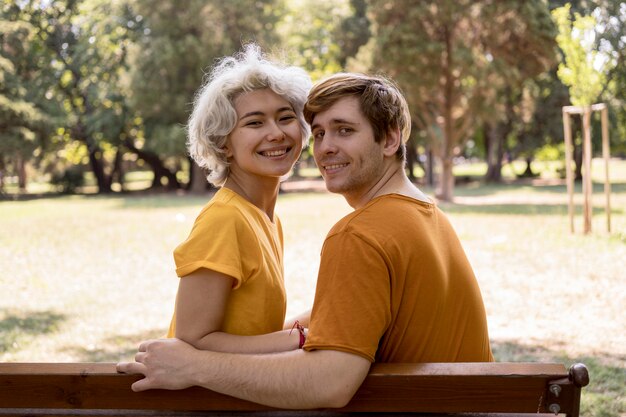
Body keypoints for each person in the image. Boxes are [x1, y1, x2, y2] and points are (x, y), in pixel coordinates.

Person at [117, 73, 493, 409]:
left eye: (344, 130)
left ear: (391, 138)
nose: (326, 147)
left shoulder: (360, 233)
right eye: (320, 133)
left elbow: (329, 383)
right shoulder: (426, 215)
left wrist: (198, 365)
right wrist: (298, 335)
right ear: (224, 142)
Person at [164, 44, 312, 354]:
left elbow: (252, 337)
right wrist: (301, 340)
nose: (276, 133)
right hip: (204, 400)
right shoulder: (225, 219)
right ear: (223, 143)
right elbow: (192, 342)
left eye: (285, 118)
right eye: (254, 123)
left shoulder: (267, 218)